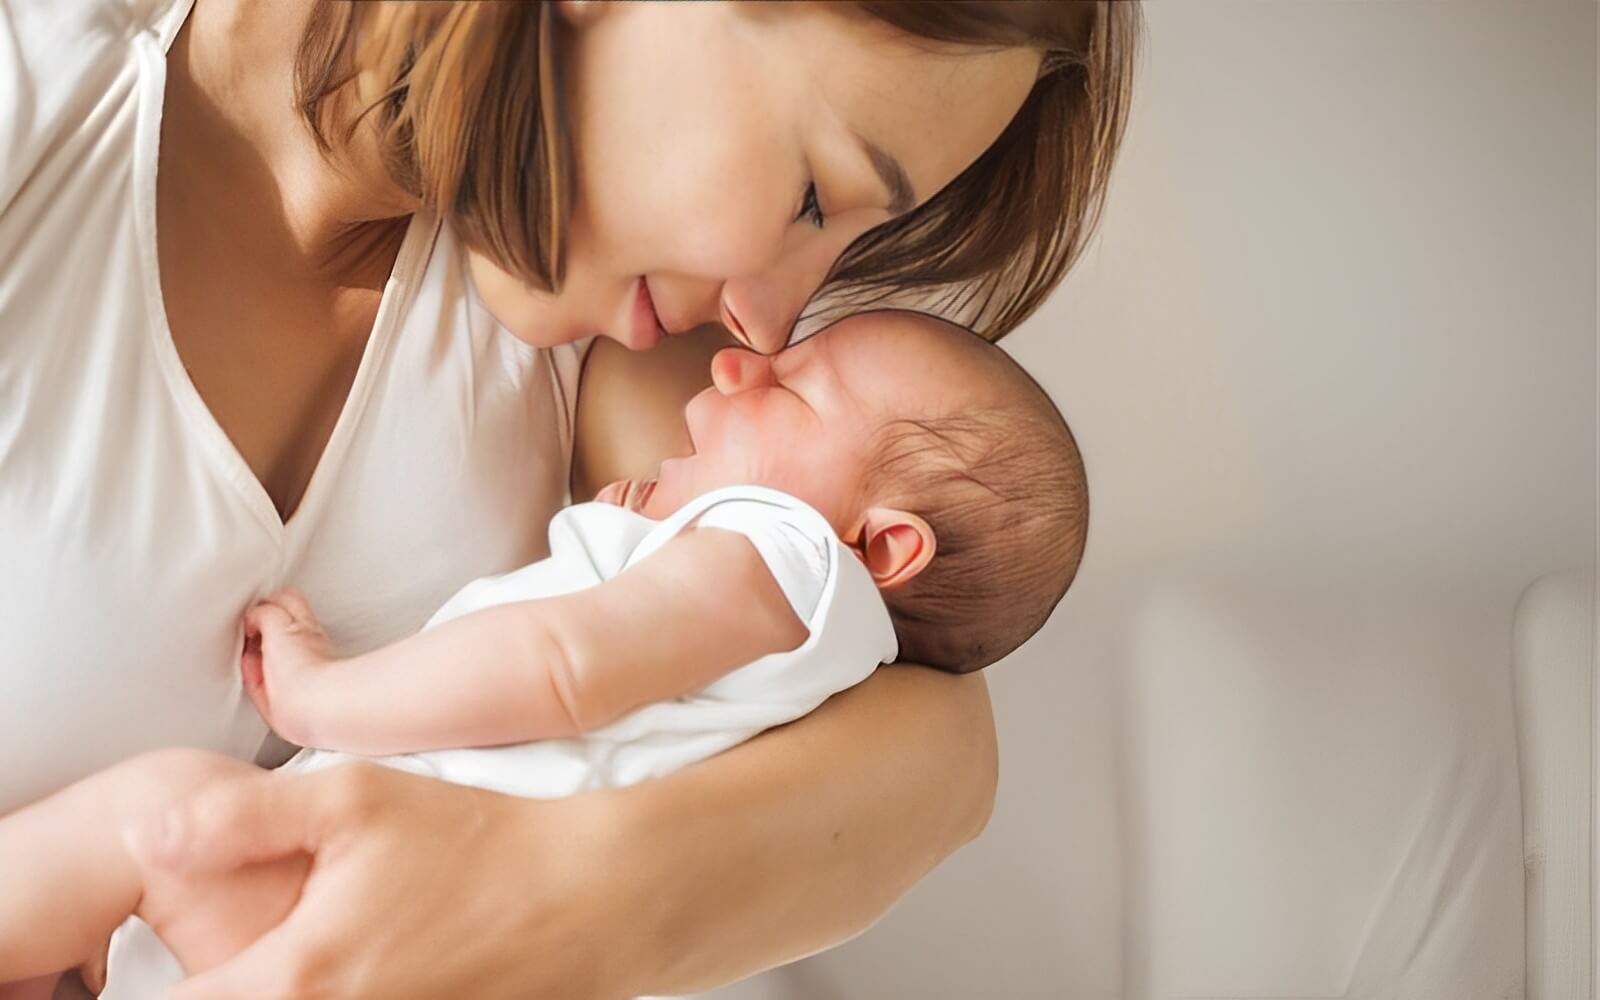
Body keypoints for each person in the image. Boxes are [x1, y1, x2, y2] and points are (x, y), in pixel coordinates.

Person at [0, 1, 1138, 996]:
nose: (770, 324)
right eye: (812, 195)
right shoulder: (40, 112)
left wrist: (539, 903)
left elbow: (935, 744)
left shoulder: (595, 311)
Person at [0, 312, 1088, 999]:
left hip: (339, 888)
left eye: (793, 388)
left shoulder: (788, 551)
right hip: (360, 927)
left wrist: (322, 693)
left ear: (882, 546)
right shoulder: (802, 639)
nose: (738, 360)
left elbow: (563, 664)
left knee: (165, 813)